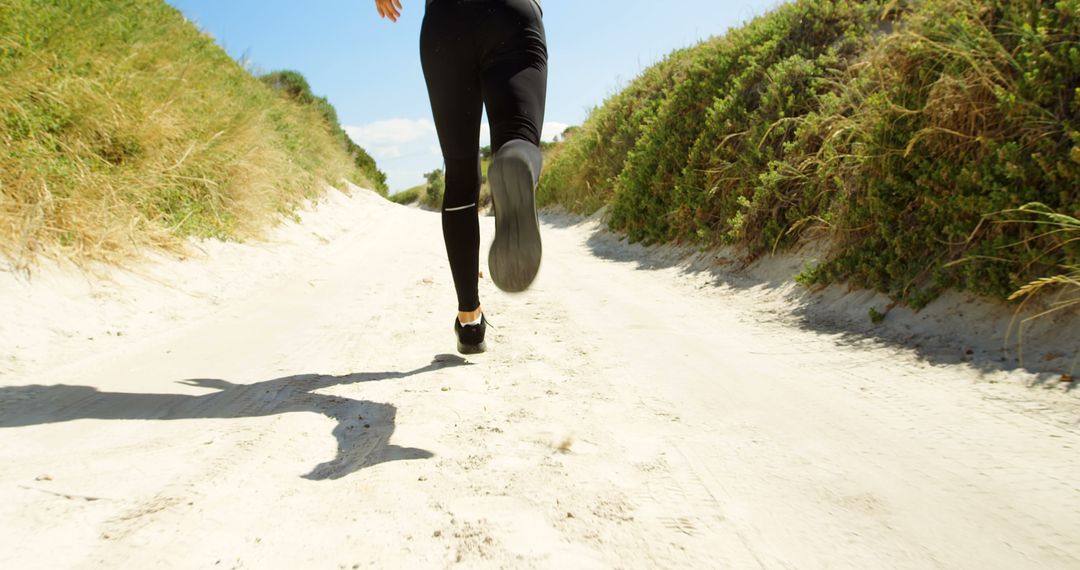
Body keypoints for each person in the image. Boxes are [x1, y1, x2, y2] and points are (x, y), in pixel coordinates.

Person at [375, 0, 548, 355]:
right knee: (518, 136)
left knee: (460, 171)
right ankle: (514, 161)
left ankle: (469, 319)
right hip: (510, 14)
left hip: (445, 21)